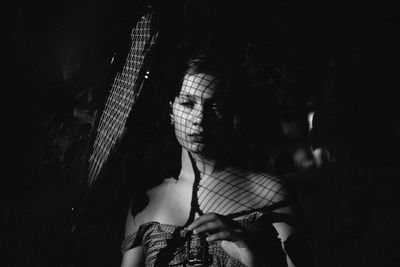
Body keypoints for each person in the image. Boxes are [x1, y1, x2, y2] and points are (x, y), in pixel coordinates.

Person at [120, 53, 296, 267]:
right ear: (171, 111)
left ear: (230, 113)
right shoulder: (145, 203)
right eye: (187, 103)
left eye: (214, 106)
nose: (200, 119)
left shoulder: (268, 192)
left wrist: (252, 255)